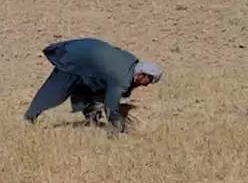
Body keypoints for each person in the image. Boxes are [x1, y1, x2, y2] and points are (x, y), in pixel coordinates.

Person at [23, 38, 162, 133]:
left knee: (91, 87)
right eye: (149, 81)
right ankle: (29, 118)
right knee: (56, 91)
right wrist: (118, 125)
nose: (147, 85)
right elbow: (110, 104)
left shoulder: (131, 62)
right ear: (142, 74)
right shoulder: (123, 78)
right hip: (77, 58)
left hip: (88, 57)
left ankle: (91, 119)